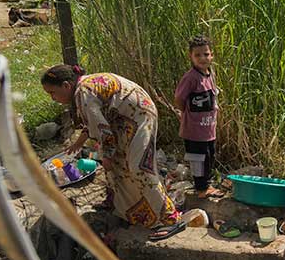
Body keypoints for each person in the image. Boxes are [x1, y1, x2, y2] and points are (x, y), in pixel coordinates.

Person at [41, 65, 183, 241]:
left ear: (66, 86)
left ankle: (170, 219)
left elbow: (104, 132)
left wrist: (106, 156)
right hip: (123, 119)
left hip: (139, 117)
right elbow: (95, 121)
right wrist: (80, 143)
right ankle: (127, 210)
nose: (53, 98)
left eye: (52, 92)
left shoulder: (84, 93)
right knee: (120, 168)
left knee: (139, 168)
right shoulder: (82, 91)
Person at [174, 35, 224, 199]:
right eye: (198, 55)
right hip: (194, 129)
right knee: (197, 158)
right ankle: (201, 188)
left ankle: (206, 184)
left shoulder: (210, 74)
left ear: (212, 55)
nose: (203, 58)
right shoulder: (191, 77)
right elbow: (179, 99)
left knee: (209, 156)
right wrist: (187, 114)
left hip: (208, 129)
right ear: (191, 56)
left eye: (206, 54)